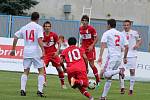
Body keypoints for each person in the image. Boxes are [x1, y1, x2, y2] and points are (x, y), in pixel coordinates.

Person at [10, 12, 45, 97]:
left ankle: (22, 90)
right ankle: (39, 91)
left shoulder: (24, 27)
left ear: (31, 18)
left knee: (26, 71)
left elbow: (15, 36)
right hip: (36, 51)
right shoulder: (39, 27)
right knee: (41, 71)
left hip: (26, 51)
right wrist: (43, 50)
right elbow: (39, 39)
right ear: (38, 18)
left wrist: (13, 49)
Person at [98, 19, 128, 100]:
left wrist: (100, 56)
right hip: (119, 57)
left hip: (112, 57)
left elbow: (103, 44)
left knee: (105, 74)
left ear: (109, 25)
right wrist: (125, 57)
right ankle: (103, 97)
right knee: (109, 78)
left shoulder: (107, 33)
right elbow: (126, 46)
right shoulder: (121, 34)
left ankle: (119, 71)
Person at [119, 20, 142, 95]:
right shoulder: (121, 33)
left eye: (127, 25)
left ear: (130, 25)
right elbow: (119, 43)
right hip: (123, 54)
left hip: (132, 54)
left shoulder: (134, 32)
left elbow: (140, 40)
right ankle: (122, 88)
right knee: (121, 71)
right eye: (124, 25)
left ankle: (131, 89)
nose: (126, 26)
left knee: (132, 71)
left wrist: (137, 45)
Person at [42, 21, 66, 89]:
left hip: (53, 54)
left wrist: (57, 51)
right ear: (44, 27)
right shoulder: (41, 35)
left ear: (50, 27)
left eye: (48, 26)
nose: (47, 28)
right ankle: (44, 81)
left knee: (59, 69)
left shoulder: (54, 35)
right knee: (42, 67)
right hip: (45, 54)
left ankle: (63, 84)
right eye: (46, 26)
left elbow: (59, 43)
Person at [79, 15, 100, 84]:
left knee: (92, 65)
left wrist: (92, 45)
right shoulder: (80, 28)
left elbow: (96, 38)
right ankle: (84, 79)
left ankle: (97, 79)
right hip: (83, 48)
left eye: (86, 21)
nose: (84, 22)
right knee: (83, 61)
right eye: (83, 20)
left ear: (88, 22)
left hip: (90, 48)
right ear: (81, 21)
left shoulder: (91, 29)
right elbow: (82, 37)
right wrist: (80, 45)